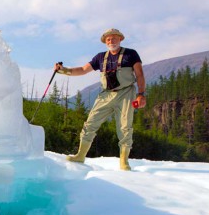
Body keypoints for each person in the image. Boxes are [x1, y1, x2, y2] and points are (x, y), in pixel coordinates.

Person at [55, 28, 146, 170]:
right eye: (108, 39)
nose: (111, 41)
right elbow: (83, 70)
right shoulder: (100, 57)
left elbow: (140, 74)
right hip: (106, 95)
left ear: (120, 39)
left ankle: (124, 161)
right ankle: (80, 155)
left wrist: (141, 94)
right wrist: (63, 70)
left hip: (126, 94)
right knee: (90, 123)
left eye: (114, 38)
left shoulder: (131, 54)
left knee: (125, 127)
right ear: (105, 42)